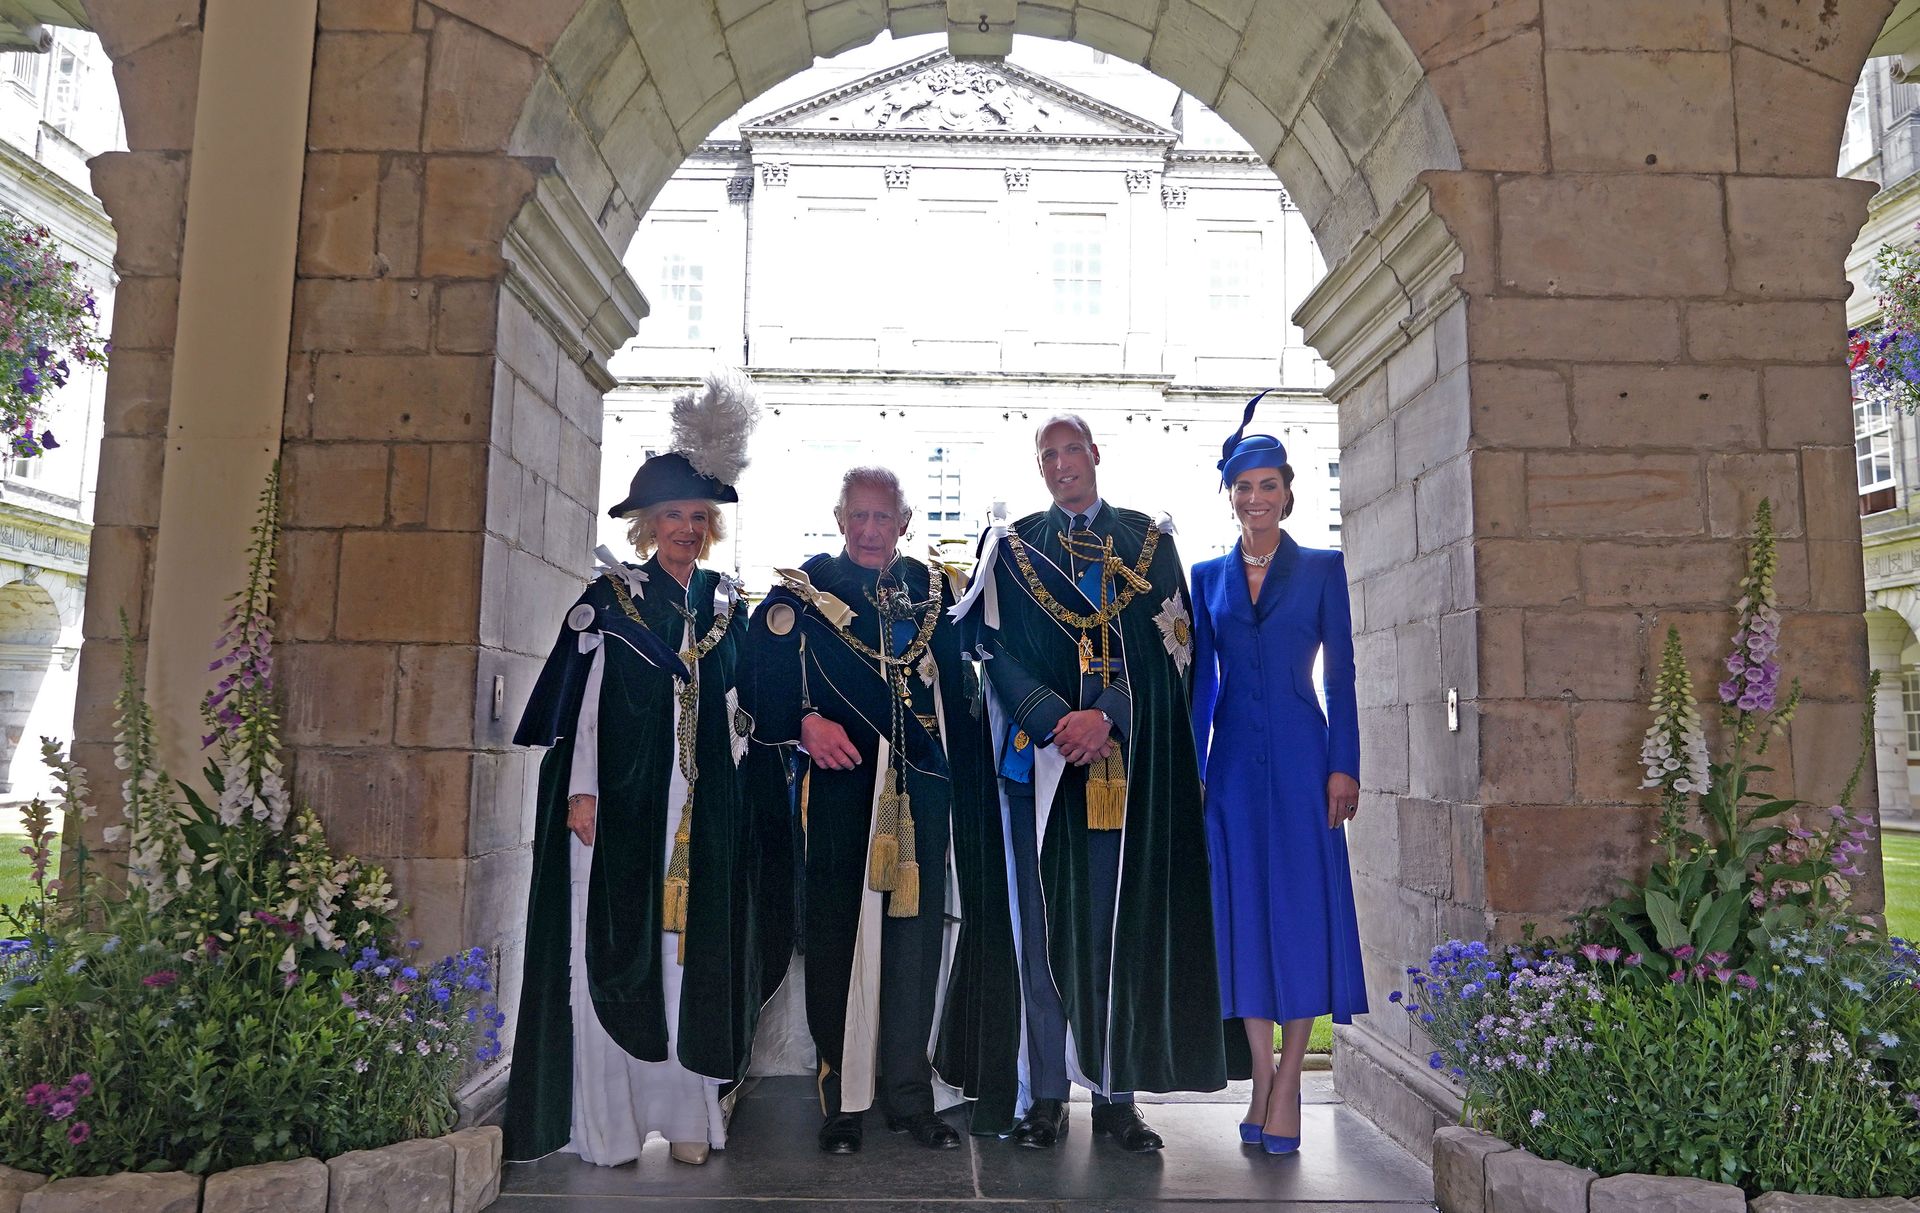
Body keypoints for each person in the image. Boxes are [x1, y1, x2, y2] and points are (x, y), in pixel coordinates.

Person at [504, 373, 777, 1170]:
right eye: (673, 517)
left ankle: (690, 1116)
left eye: (698, 517)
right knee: (623, 957)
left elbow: (747, 708)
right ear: (647, 526)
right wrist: (583, 787)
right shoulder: (611, 601)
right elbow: (581, 706)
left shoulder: (730, 605)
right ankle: (614, 1126)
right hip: (624, 811)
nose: (687, 529)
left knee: (689, 961)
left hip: (708, 815)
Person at [953, 414, 1228, 1153]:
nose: (1062, 464)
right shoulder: (1009, 551)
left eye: (1072, 450)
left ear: (1095, 455)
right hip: (1036, 768)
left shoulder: (1150, 542)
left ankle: (1116, 1096)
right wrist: (1054, 719)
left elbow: (1177, 653)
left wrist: (1105, 716)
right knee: (1039, 936)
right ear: (1039, 468)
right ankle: (1044, 1096)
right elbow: (991, 650)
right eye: (1048, 455)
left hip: (1120, 774)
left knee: (1115, 932)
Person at [743, 466, 998, 1155]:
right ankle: (844, 1099)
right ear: (839, 518)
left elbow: (963, 690)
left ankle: (911, 1095)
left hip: (922, 795)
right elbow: (755, 678)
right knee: (839, 942)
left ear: (903, 524)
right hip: (839, 791)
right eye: (857, 516)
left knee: (914, 948)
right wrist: (802, 723)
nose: (869, 530)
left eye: (882, 518)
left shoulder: (932, 590)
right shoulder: (803, 592)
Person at [1189, 397, 1367, 1156]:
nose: (1255, 498)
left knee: (1297, 918)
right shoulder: (1205, 577)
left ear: (1288, 492)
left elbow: (1346, 679)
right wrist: (1192, 772)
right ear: (1228, 495)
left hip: (1304, 766)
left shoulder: (1324, 569)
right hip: (1230, 770)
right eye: (1243, 487)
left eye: (1268, 485)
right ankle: (1261, 1074)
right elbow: (1200, 682)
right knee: (1244, 921)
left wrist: (1344, 767)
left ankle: (1290, 1079)